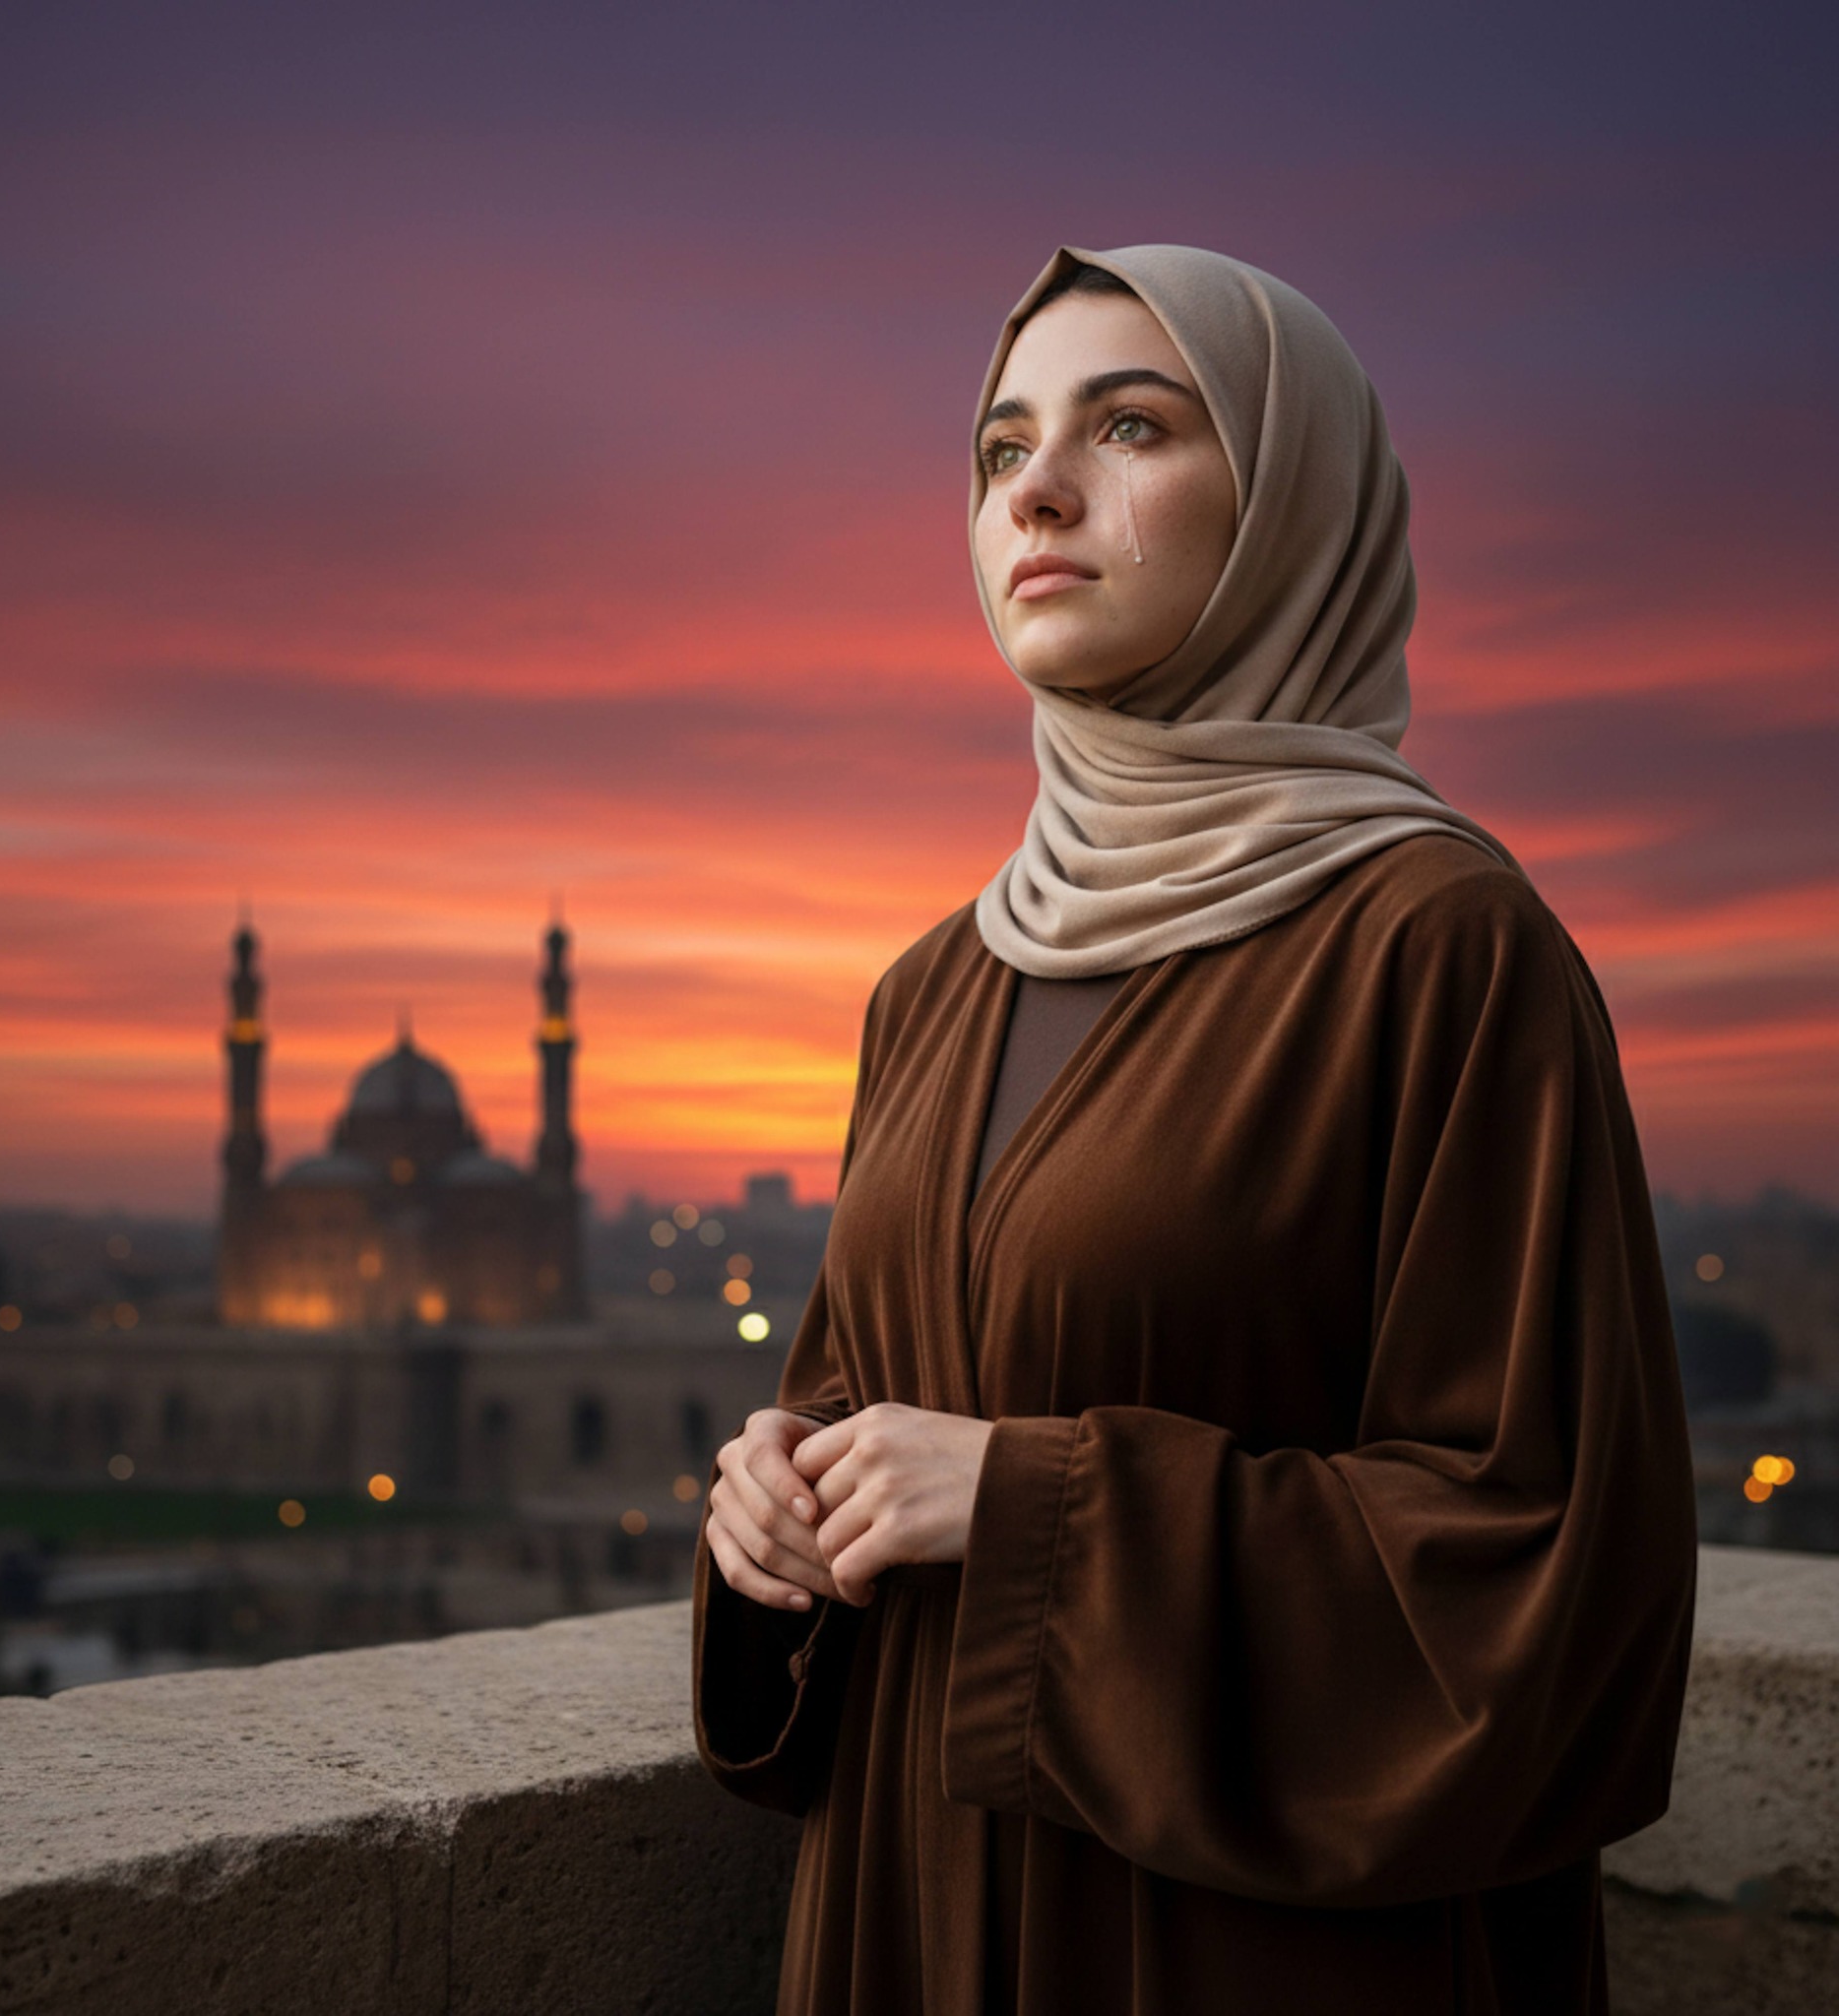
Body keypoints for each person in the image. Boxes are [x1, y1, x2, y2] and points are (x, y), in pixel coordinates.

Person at [692, 243, 1697, 2016]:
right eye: (1000, 451)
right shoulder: (938, 984)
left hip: (1248, 1946)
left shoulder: (1441, 953)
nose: (1041, 493)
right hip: (913, 1914)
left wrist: (1026, 1503)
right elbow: (876, 1399)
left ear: (1294, 506)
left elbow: (1551, 1575)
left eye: (1132, 427)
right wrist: (781, 1511)